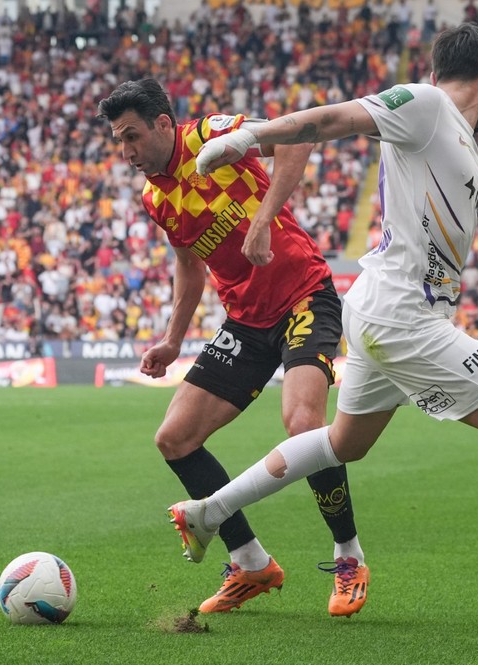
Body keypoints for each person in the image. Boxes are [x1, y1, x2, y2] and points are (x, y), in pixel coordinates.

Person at [168, 24, 478, 623]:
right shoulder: (426, 105)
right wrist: (249, 139)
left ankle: (209, 511)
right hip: (402, 316)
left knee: (342, 444)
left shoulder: (456, 133)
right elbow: (334, 119)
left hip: (390, 311)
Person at [96, 78, 370, 616]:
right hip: (244, 322)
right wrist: (173, 339)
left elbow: (298, 138)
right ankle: (249, 562)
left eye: (132, 137)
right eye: (117, 142)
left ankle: (348, 555)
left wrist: (263, 219)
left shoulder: (213, 137)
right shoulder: (155, 195)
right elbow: (187, 264)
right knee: (174, 438)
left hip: (303, 296)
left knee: (303, 425)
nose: (126, 152)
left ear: (163, 125)